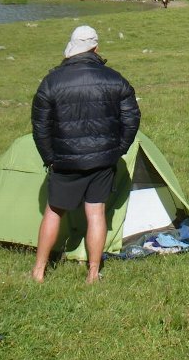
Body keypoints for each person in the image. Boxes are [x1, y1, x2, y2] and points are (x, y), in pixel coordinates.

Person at [31, 24, 141, 284]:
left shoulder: (51, 81)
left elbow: (40, 126)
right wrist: (117, 151)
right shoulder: (115, 79)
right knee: (96, 213)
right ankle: (93, 273)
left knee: (53, 212)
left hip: (64, 161)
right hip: (102, 161)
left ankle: (38, 271)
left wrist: (50, 157)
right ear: (96, 48)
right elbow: (132, 119)